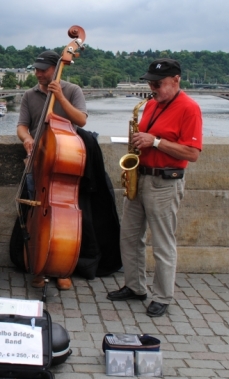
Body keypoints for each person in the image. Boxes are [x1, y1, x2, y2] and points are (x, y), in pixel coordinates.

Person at [106, 58, 202, 318]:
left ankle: (162, 296)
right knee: (129, 236)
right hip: (140, 176)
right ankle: (135, 286)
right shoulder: (149, 105)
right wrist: (138, 141)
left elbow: (192, 153)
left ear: (176, 80)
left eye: (158, 84)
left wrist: (156, 142)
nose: (153, 88)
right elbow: (146, 138)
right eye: (150, 83)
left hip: (165, 182)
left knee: (162, 243)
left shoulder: (189, 108)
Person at [16, 50, 88, 290]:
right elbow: (22, 127)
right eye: (35, 69)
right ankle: (38, 265)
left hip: (62, 161)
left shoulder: (73, 90)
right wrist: (27, 139)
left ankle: (61, 267)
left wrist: (60, 98)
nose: (37, 73)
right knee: (37, 215)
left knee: (64, 219)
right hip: (37, 161)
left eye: (42, 70)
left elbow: (81, 120)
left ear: (55, 70)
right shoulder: (30, 94)